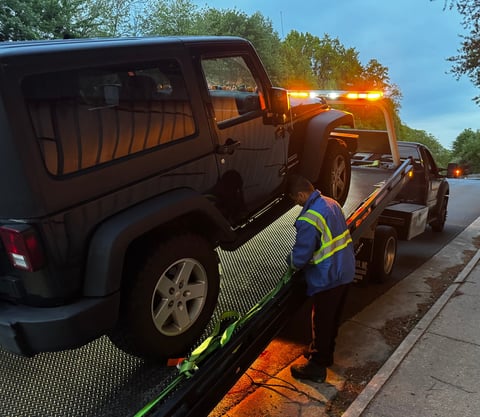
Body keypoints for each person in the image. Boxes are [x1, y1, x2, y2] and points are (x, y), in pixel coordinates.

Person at [286, 174, 355, 383]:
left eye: (295, 199)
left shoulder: (309, 218)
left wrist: (290, 263)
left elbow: (300, 256)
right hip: (345, 270)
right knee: (332, 319)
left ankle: (317, 368)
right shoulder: (331, 203)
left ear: (300, 194)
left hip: (328, 276)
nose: (296, 204)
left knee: (322, 321)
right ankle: (325, 354)